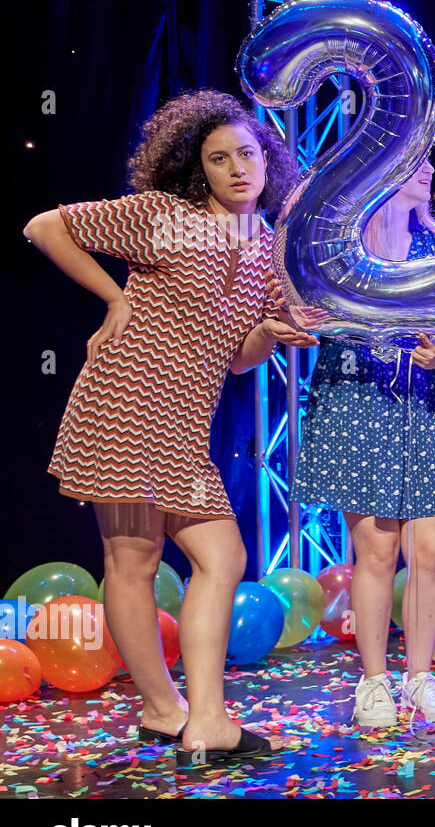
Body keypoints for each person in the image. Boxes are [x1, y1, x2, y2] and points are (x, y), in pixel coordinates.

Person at [24, 90, 317, 765]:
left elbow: (236, 352)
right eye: (220, 158)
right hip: (125, 400)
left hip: (184, 421)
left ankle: (198, 715)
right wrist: (114, 295)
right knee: (135, 560)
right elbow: (45, 226)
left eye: (248, 153)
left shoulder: (267, 248)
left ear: (268, 159)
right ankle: (171, 712)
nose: (239, 168)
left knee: (223, 557)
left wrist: (269, 334)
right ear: (198, 169)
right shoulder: (164, 217)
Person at [291, 158, 435, 728]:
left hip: (419, 399)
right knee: (376, 550)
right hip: (355, 397)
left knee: (430, 551)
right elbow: (298, 309)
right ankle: (374, 682)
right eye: (415, 161)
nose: (428, 169)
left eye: (428, 160)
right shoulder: (340, 243)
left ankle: (419, 677)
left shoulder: (433, 244)